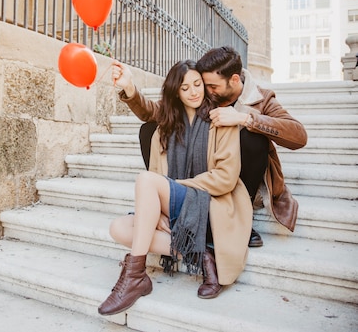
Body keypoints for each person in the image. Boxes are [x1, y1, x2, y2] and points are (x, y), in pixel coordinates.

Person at [97, 60, 252, 316]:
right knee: (119, 228)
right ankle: (201, 254)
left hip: (212, 207)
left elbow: (225, 178)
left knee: (146, 181)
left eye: (197, 84)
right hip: (179, 209)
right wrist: (160, 207)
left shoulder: (221, 119)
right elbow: (157, 181)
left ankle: (135, 275)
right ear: (175, 93)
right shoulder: (165, 129)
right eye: (185, 88)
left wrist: (171, 188)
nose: (193, 92)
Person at [137, 47, 307, 247]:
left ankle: (240, 216)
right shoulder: (206, 93)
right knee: (150, 129)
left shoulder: (261, 98)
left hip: (234, 181)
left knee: (252, 138)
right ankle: (166, 198)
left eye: (212, 86)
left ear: (234, 80)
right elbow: (157, 111)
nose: (206, 91)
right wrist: (130, 91)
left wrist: (244, 119)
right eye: (204, 84)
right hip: (202, 171)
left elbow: (299, 135)